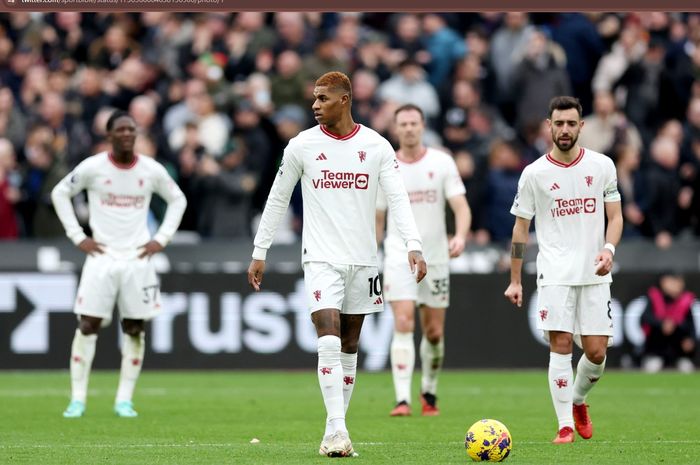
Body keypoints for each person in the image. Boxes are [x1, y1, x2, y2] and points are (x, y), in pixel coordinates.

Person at [247, 71, 426, 458]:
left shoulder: (376, 146)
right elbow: (278, 198)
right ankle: (339, 429)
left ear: (344, 100)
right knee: (327, 338)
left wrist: (413, 245)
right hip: (320, 258)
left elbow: (398, 199)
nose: (315, 105)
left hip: (363, 260)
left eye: (323, 98)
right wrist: (260, 249)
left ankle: (334, 430)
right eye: (314, 98)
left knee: (349, 345)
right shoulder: (301, 146)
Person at [51, 110, 187, 419]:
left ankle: (124, 399)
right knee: (87, 324)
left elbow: (178, 199)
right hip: (101, 257)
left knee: (135, 327)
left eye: (131, 130)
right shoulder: (93, 167)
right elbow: (60, 192)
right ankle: (78, 399)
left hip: (138, 259)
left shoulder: (151, 170)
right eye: (121, 130)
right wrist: (77, 236)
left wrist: (161, 238)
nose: (127, 134)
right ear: (109, 135)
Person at [504, 96, 623, 444]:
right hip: (554, 272)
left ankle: (578, 400)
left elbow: (614, 217)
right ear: (549, 126)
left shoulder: (602, 166)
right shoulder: (534, 174)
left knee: (597, 353)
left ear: (581, 126)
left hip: (595, 272)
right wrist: (514, 280)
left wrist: (609, 249)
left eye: (571, 123)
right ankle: (563, 426)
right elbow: (520, 229)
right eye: (559, 123)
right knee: (560, 343)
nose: (565, 130)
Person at [376, 103, 471, 417]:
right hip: (397, 255)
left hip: (436, 255)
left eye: (413, 123)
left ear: (422, 125)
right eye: (402, 124)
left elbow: (460, 205)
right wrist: (371, 250)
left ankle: (428, 392)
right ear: (395, 128)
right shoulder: (385, 165)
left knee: (433, 332)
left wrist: (460, 234)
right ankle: (402, 399)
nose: (408, 129)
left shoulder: (442, 162)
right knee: (403, 322)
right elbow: (378, 216)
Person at [640, 271, 696, 374]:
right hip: (656, 351)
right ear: (664, 283)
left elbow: (691, 325)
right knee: (652, 368)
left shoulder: (685, 300)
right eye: (672, 282)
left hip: (679, 352)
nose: (677, 286)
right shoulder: (654, 297)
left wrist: (691, 340)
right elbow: (645, 317)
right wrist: (662, 324)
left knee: (687, 369)